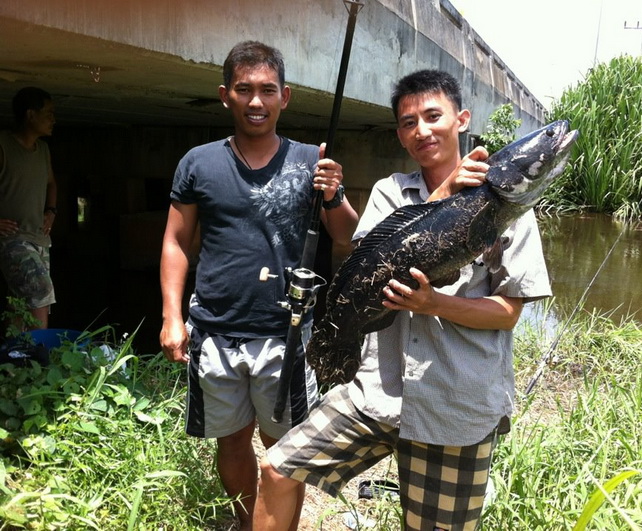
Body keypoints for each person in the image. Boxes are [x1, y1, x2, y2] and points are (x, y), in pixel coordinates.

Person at [253, 69, 552, 530]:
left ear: (461, 119)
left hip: (456, 407)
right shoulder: (390, 192)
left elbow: (508, 313)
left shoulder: (508, 207)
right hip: (378, 393)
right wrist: (447, 194)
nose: (423, 130)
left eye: (433, 116)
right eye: (410, 122)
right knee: (277, 468)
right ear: (400, 134)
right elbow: (371, 266)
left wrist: (435, 304)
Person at [159, 41, 358, 530]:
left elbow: (348, 236)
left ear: (285, 97)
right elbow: (176, 243)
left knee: (287, 449)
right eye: (244, 90)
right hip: (215, 332)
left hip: (286, 335)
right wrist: (171, 315)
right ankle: (248, 521)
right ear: (225, 95)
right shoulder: (198, 163)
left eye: (267, 90)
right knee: (230, 440)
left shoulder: (313, 159)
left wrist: (332, 195)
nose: (256, 101)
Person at [0, 87, 58, 331]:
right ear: (30, 115)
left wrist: (51, 211)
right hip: (12, 238)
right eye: (48, 113)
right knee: (41, 289)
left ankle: (18, 362)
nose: (53, 119)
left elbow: (51, 183)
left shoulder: (42, 149)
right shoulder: (3, 144)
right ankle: (41, 356)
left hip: (39, 238)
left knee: (23, 304)